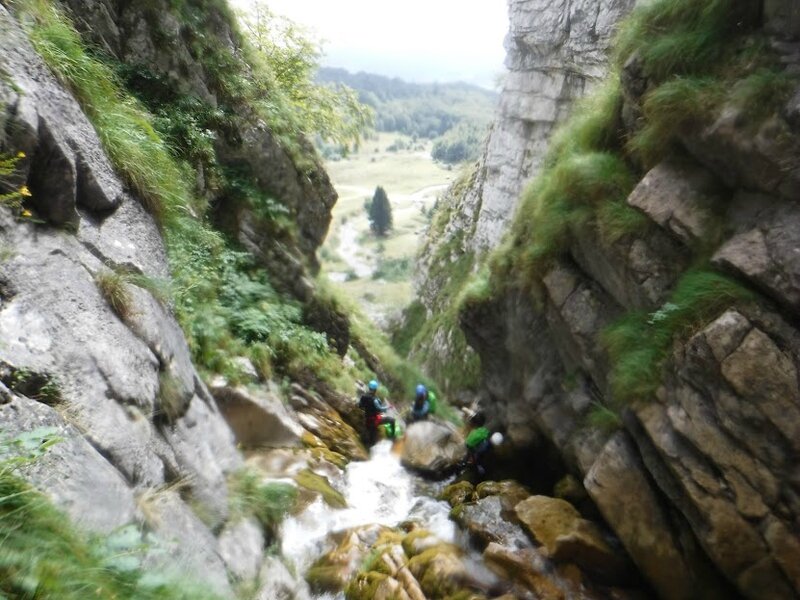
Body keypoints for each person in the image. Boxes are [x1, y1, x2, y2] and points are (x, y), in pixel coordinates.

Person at [463, 411, 502, 477]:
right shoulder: (484, 432)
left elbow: (468, 444)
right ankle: (474, 467)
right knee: (477, 459)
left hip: (477, 448)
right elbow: (469, 445)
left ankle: (474, 465)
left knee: (479, 457)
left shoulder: (481, 432)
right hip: (477, 449)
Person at [358, 379, 396, 445]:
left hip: (367, 419)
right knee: (392, 420)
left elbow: (360, 406)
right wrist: (389, 407)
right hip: (374, 420)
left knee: (371, 437)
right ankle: (392, 438)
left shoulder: (363, 396)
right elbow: (380, 409)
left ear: (369, 387)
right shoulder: (374, 400)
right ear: (375, 390)